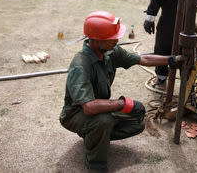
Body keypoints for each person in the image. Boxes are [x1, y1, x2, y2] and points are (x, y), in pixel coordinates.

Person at [59, 11, 182, 172]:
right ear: (97, 40)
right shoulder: (81, 65)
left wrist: (172, 60)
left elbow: (143, 59)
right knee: (103, 121)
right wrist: (122, 104)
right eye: (112, 38)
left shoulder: (110, 51)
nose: (117, 40)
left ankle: (94, 136)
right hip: (76, 113)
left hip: (98, 109)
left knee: (138, 121)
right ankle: (96, 165)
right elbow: (88, 107)